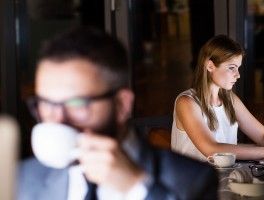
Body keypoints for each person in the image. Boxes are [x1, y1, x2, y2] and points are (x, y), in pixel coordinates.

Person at [17, 27, 219, 200]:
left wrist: (137, 188)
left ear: (122, 104)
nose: (57, 121)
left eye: (77, 103)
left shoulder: (192, 179)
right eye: (46, 104)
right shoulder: (21, 178)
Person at [171, 35, 264, 162]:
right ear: (210, 66)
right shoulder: (187, 102)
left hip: (224, 177)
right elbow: (211, 149)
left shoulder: (230, 99)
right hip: (192, 186)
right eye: (231, 68)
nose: (238, 75)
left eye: (238, 68)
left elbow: (263, 135)